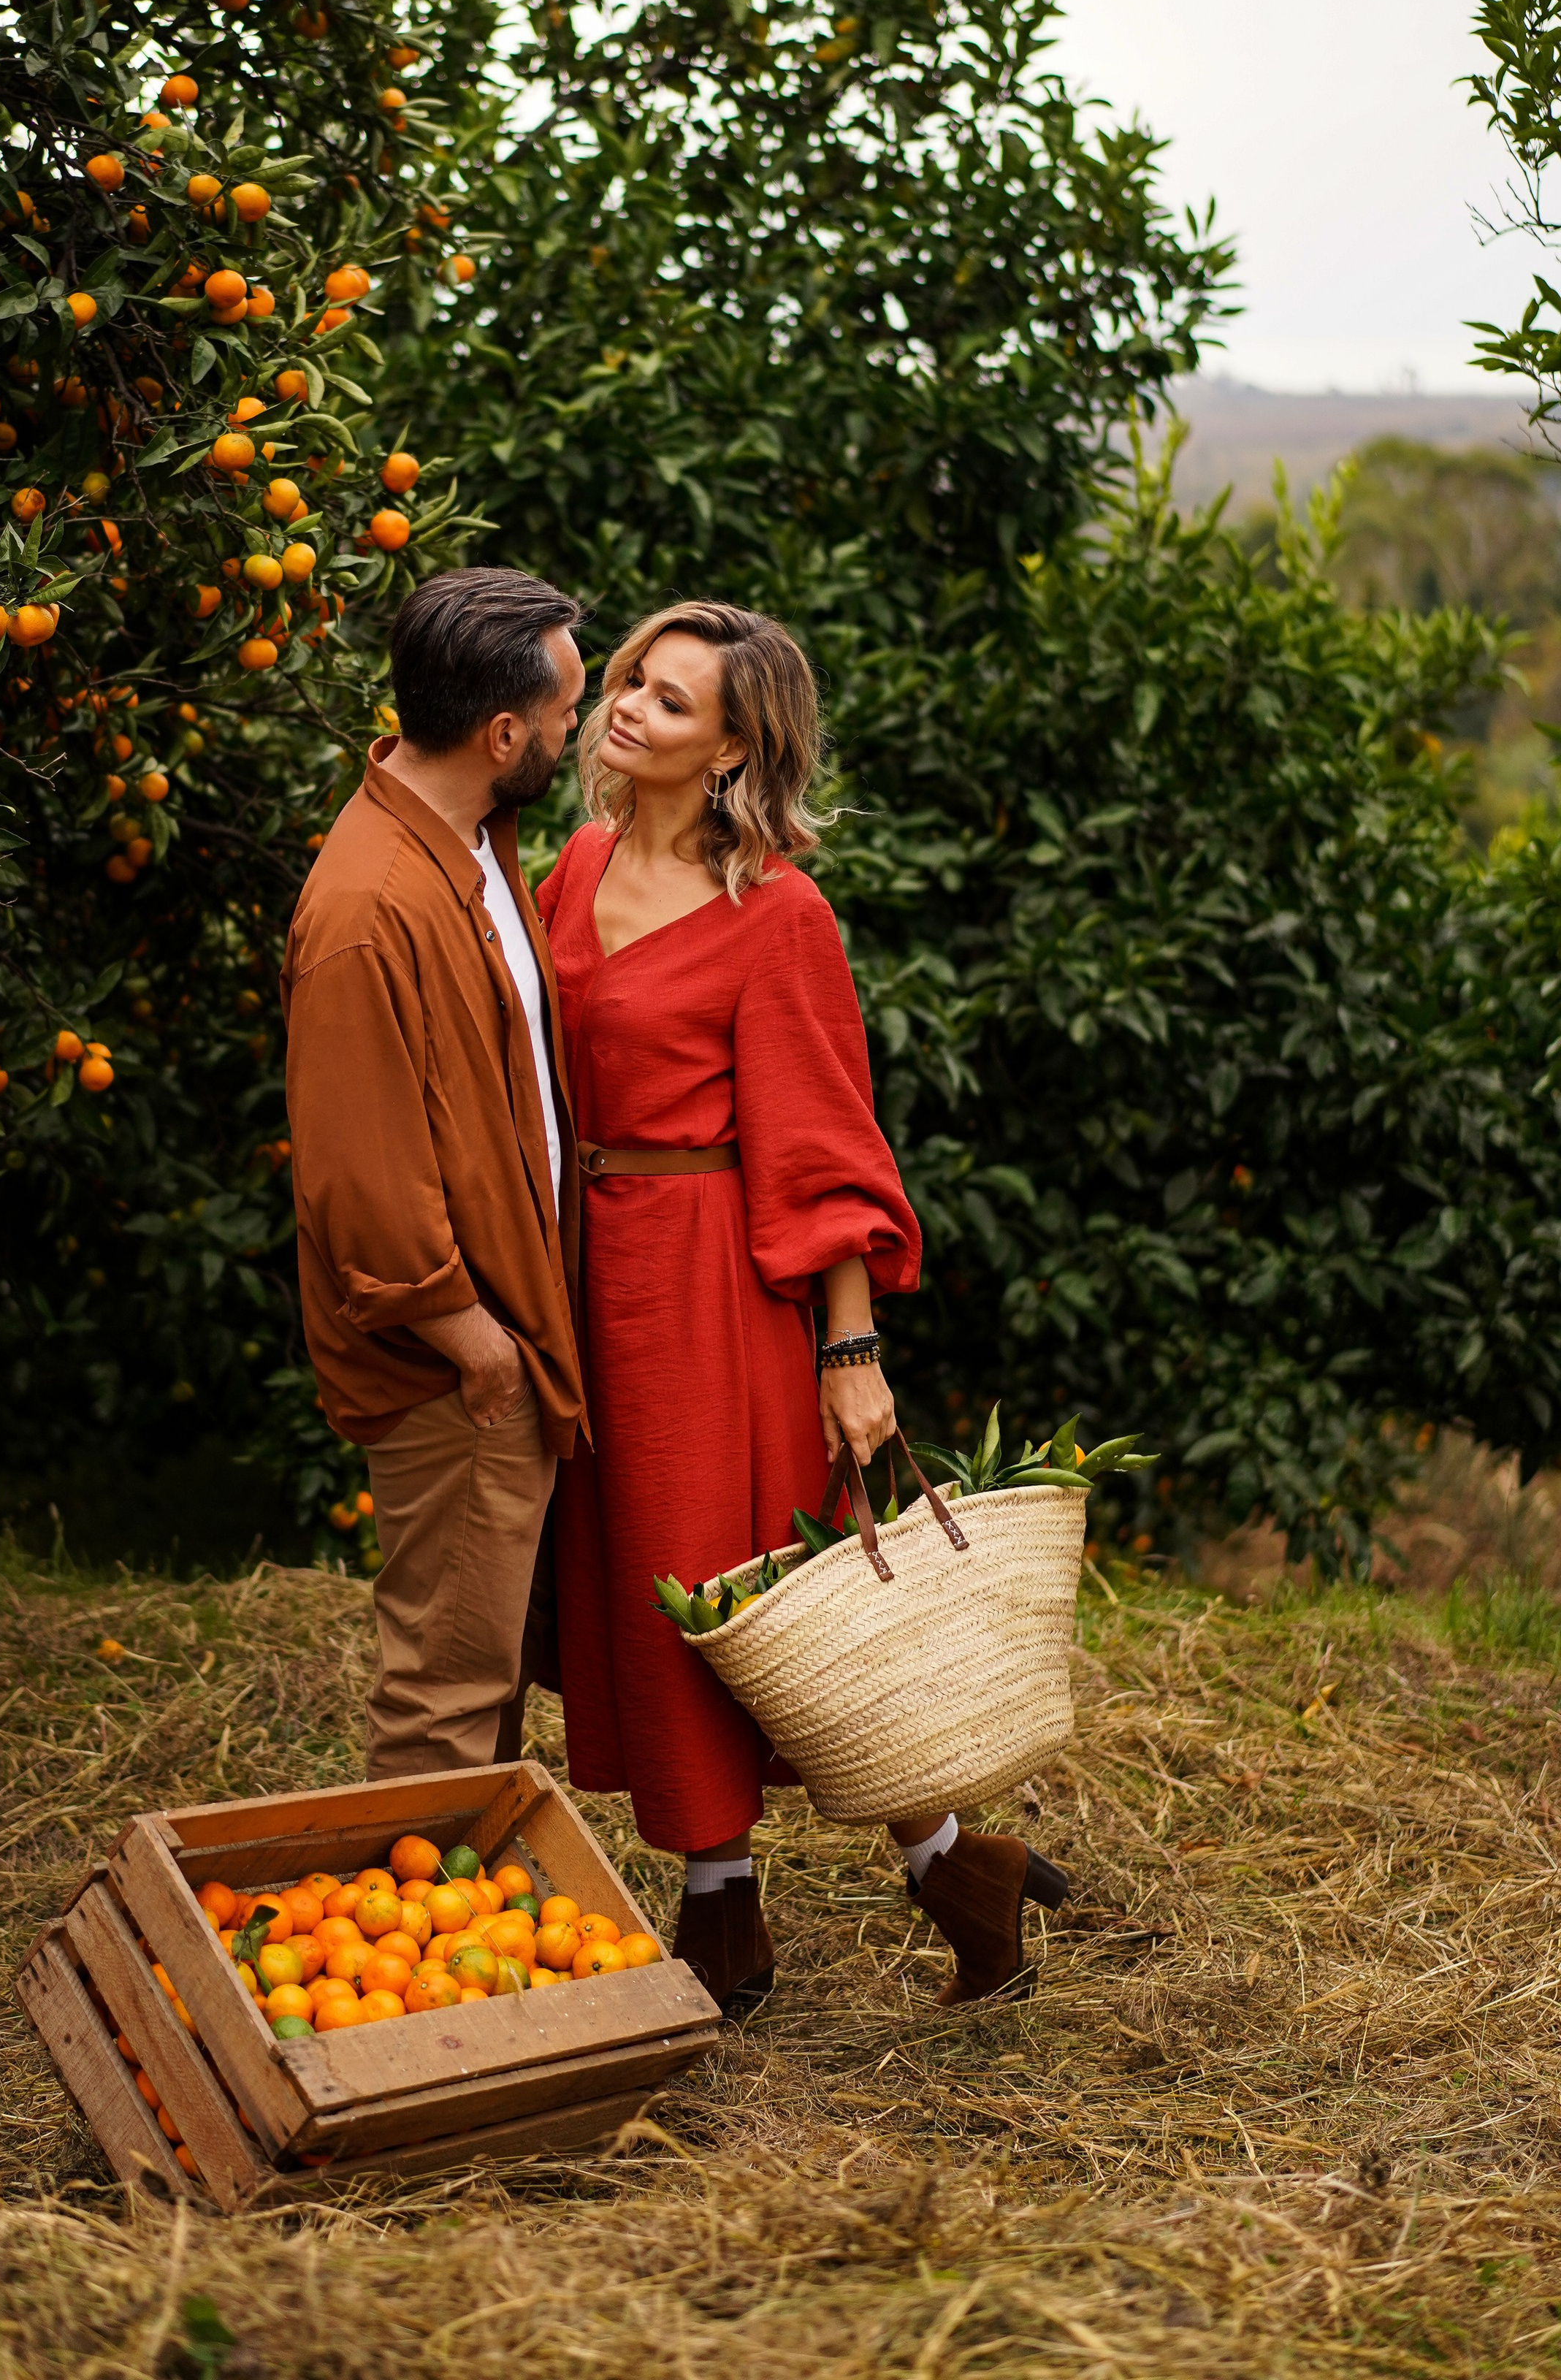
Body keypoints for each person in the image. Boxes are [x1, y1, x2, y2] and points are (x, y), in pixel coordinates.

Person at [537, 600, 1069, 2011]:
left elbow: (824, 1148)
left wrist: (851, 1350)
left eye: (673, 700)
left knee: (763, 1601)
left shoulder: (775, 915)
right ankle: (727, 1907)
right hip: (597, 1268)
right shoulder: (576, 863)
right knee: (655, 1592)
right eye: (633, 683)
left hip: (717, 1285)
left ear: (730, 753)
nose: (632, 708)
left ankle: (950, 1860)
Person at [280, 566, 587, 1783]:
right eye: (565, 709)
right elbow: (358, 1173)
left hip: (505, 1330)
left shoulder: (467, 844)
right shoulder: (368, 907)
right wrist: (475, 1343)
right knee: (445, 1694)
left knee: (487, 1670)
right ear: (502, 732)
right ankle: (427, 1964)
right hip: (455, 1365)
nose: (576, 727)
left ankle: (470, 1941)